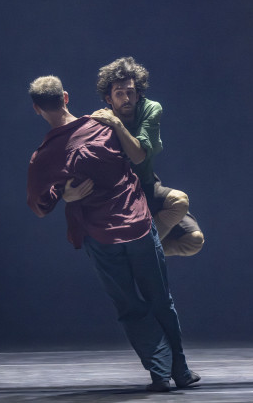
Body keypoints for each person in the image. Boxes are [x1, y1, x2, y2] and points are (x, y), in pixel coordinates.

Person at [25, 75, 200, 392]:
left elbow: (39, 207)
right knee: (161, 299)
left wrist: (64, 194)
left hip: (101, 237)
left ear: (37, 109)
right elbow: (138, 157)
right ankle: (181, 371)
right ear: (65, 97)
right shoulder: (103, 126)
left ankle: (161, 374)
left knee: (130, 306)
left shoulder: (44, 155)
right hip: (138, 226)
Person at [87, 56, 205, 257]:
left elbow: (138, 156)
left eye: (130, 92)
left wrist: (117, 124)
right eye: (119, 93)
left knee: (193, 240)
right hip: (121, 197)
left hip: (147, 185)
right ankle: (141, 249)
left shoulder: (150, 109)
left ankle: (143, 250)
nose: (126, 98)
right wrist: (69, 192)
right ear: (109, 98)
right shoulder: (99, 122)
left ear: (138, 94)